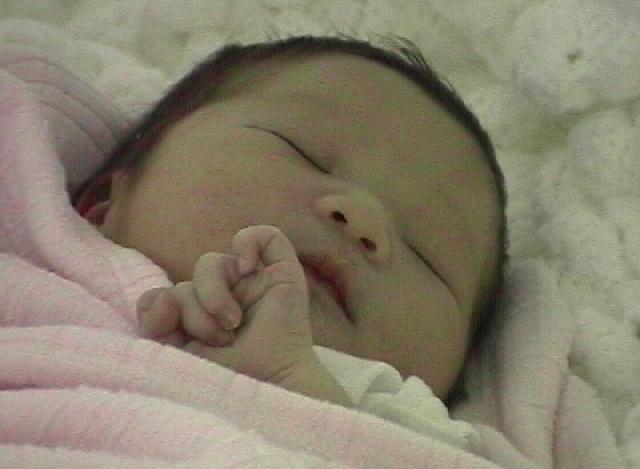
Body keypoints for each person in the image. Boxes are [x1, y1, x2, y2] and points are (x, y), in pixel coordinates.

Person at [73, 34, 508, 409]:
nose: (364, 217)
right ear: (105, 202)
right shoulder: (39, 281)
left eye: (425, 253)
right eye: (300, 152)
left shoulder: (435, 442)